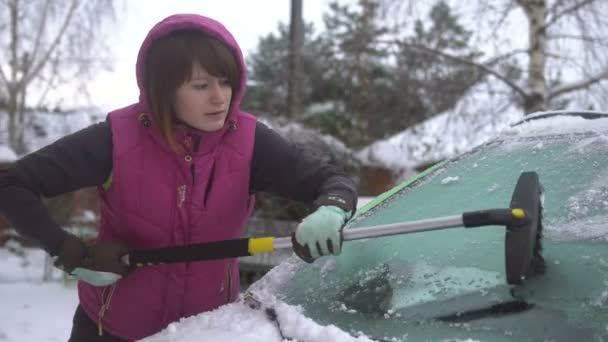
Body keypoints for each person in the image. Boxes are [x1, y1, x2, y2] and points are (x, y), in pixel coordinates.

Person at [0, 14, 357, 342]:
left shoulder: (250, 142)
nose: (220, 97)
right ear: (165, 90)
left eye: (225, 82)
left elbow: (330, 180)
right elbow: (13, 183)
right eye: (201, 86)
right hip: (112, 329)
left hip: (206, 331)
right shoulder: (116, 139)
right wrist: (67, 250)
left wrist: (331, 209)